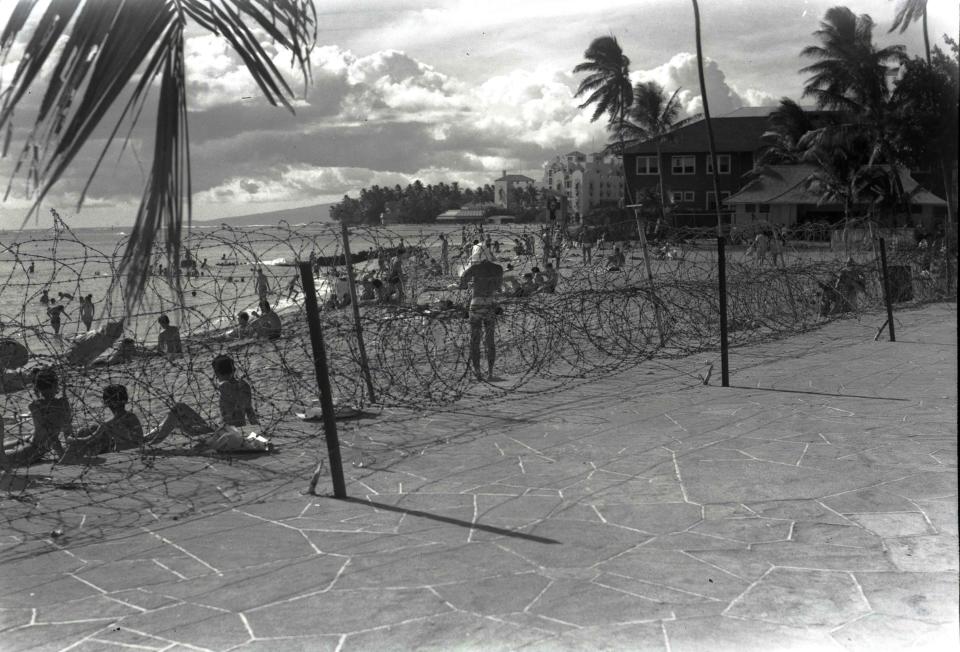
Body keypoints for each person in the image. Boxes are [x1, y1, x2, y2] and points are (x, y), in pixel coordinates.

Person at [145, 355, 259, 447]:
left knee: (179, 408)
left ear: (217, 373)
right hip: (234, 430)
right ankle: (148, 438)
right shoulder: (244, 385)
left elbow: (226, 391)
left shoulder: (224, 386)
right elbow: (249, 410)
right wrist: (257, 429)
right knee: (179, 418)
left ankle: (152, 442)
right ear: (233, 369)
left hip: (222, 433)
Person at [2, 368, 71, 467]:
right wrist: (63, 456)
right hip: (32, 446)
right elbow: (61, 433)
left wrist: (63, 456)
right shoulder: (63, 404)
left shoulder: (35, 406)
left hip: (29, 445)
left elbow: (50, 434)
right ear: (56, 385)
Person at [62, 384, 144, 457]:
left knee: (87, 430)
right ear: (126, 400)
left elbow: (87, 439)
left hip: (122, 455)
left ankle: (69, 459)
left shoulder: (109, 423)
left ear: (106, 403)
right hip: (138, 451)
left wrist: (71, 439)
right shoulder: (132, 417)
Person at [459, 258, 504, 380]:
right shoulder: (498, 268)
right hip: (490, 303)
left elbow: (462, 282)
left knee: (475, 340)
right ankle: (490, 373)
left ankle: (478, 372)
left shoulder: (475, 267)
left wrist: (472, 284)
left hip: (476, 303)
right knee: (490, 340)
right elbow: (498, 288)